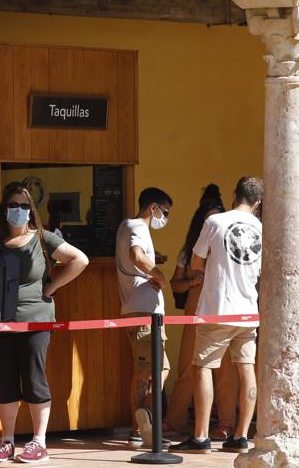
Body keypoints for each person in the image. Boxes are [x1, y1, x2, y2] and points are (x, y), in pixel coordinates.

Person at [0, 183, 89, 464]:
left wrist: (51, 288)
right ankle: (7, 441)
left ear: (31, 210)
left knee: (34, 379)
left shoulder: (42, 239)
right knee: (5, 380)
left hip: (35, 321)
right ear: (3, 209)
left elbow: (80, 260)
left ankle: (39, 442)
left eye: (24, 206)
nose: (18, 211)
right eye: (12, 205)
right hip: (0, 322)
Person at [174, 176, 262, 455]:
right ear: (258, 203)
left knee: (203, 368)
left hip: (217, 308)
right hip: (248, 310)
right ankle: (241, 435)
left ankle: (200, 436)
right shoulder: (261, 228)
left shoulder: (215, 222)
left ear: (234, 193)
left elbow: (196, 261)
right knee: (245, 368)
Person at [167, 184, 232, 438]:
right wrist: (192, 282)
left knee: (226, 369)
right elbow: (175, 283)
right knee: (187, 366)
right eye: (207, 220)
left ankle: (225, 423)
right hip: (196, 308)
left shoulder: (230, 248)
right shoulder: (189, 251)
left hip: (224, 307)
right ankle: (175, 420)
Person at [115, 187, 174, 450]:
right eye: (165, 212)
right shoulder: (138, 226)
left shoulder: (128, 226)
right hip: (144, 312)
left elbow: (138, 256)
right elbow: (136, 256)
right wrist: (159, 274)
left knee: (152, 369)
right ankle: (142, 423)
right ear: (153, 208)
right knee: (152, 370)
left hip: (139, 310)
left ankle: (142, 426)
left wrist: (155, 258)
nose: (166, 218)